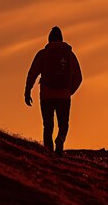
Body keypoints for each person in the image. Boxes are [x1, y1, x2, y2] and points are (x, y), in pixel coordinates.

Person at [25, 26, 82, 156]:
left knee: (48, 125)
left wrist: (27, 91)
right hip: (64, 95)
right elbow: (79, 77)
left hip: (46, 95)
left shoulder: (43, 54)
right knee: (63, 124)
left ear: (49, 39)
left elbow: (32, 74)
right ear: (61, 39)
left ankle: (48, 152)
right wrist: (69, 91)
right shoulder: (69, 55)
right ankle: (60, 140)